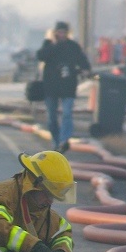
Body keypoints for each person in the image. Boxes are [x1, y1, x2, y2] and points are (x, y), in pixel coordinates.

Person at [36, 21, 91, 154]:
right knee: (52, 117)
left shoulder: (73, 46)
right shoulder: (48, 45)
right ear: (55, 33)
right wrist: (53, 44)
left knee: (67, 113)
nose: (62, 35)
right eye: (59, 32)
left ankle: (63, 141)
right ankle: (56, 142)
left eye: (64, 32)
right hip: (51, 86)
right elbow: (41, 56)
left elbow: (83, 61)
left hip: (68, 85)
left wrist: (85, 70)